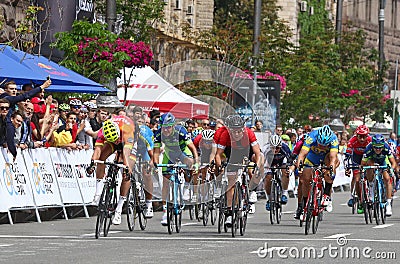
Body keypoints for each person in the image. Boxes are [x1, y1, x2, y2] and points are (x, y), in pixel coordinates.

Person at [87, 114, 137, 225]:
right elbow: (97, 150)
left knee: (126, 171)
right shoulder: (103, 131)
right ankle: (98, 193)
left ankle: (119, 209)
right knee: (100, 159)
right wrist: (92, 164)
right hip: (112, 141)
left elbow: (126, 154)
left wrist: (126, 168)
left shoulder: (127, 131)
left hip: (127, 143)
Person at [214, 115, 264, 223]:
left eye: (238, 131)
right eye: (233, 131)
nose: (236, 134)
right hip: (232, 152)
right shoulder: (225, 135)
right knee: (231, 181)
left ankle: (253, 191)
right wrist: (220, 167)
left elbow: (257, 153)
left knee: (255, 165)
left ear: (243, 129)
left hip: (248, 151)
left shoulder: (249, 133)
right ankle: (230, 210)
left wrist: (257, 167)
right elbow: (218, 155)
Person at [152, 113, 199, 226]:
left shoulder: (181, 131)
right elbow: (156, 152)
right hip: (170, 154)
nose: (166, 130)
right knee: (166, 182)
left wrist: (196, 163)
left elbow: (192, 148)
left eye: (168, 127)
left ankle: (188, 186)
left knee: (190, 163)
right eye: (164, 127)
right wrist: (155, 165)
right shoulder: (158, 134)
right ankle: (165, 211)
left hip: (183, 152)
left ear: (173, 126)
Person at [295, 125, 339, 214]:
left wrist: (330, 170)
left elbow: (333, 158)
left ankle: (327, 196)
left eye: (324, 145)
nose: (322, 147)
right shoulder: (312, 137)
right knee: (306, 179)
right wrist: (299, 167)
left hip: (326, 158)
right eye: (320, 144)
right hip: (312, 157)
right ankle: (305, 204)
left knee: (330, 172)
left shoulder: (334, 140)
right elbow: (302, 154)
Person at [361, 134, 397, 216]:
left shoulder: (386, 147)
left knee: (387, 179)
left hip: (383, 162)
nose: (378, 149)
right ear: (372, 146)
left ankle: (388, 204)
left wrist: (391, 169)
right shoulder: (368, 148)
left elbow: (393, 162)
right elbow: (363, 164)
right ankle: (371, 187)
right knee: (369, 165)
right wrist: (364, 169)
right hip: (372, 161)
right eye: (376, 147)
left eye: (380, 147)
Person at [344, 125, 372, 213]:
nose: (362, 139)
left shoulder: (370, 140)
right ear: (356, 135)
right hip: (356, 157)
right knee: (356, 179)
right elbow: (347, 156)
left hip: (367, 157)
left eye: (364, 136)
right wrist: (347, 168)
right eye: (360, 136)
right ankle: (358, 199)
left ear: (367, 136)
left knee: (369, 174)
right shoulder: (352, 141)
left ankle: (371, 193)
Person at [263, 135, 293, 211]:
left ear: (281, 146)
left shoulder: (285, 148)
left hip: (282, 161)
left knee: (285, 171)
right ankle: (269, 199)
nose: (275, 150)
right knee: (268, 178)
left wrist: (290, 169)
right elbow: (261, 161)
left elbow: (291, 160)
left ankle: (284, 193)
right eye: (273, 147)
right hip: (269, 162)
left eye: (277, 148)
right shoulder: (265, 149)